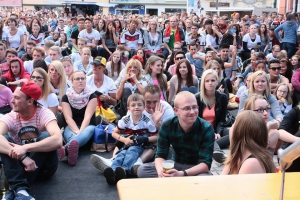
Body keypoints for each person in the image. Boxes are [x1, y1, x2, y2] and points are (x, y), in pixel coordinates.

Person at [90, 85, 174, 173]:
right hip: (136, 136)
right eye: (148, 102)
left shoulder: (166, 109)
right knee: (124, 141)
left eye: (155, 102)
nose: (152, 105)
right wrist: (125, 139)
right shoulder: (137, 106)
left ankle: (137, 163)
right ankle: (114, 161)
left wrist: (157, 122)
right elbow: (126, 126)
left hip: (153, 138)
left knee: (149, 145)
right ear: (144, 99)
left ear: (160, 99)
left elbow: (166, 135)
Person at [0, 82, 62, 200]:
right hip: (22, 166)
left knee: (46, 135)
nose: (12, 101)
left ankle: (15, 188)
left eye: (17, 98)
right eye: (13, 96)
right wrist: (23, 157)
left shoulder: (44, 113)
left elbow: (58, 140)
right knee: (4, 139)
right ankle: (21, 191)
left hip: (44, 169)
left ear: (30, 101)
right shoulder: (12, 116)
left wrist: (25, 148)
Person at [137, 91, 215, 178]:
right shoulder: (168, 124)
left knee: (205, 178)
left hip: (195, 168)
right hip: (175, 164)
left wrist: (182, 174)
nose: (192, 112)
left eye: (194, 107)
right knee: (142, 170)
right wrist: (161, 172)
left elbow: (205, 164)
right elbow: (160, 155)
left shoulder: (206, 128)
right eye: (187, 108)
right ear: (176, 110)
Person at [103, 93, 157, 184]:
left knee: (132, 152)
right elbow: (114, 133)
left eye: (139, 105)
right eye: (133, 105)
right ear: (128, 108)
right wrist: (124, 140)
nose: (136, 107)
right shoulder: (125, 119)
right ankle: (112, 171)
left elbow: (156, 136)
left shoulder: (147, 121)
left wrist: (145, 139)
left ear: (144, 107)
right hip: (127, 142)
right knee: (121, 154)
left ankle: (124, 170)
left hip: (140, 143)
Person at [58, 70, 97, 166]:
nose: (80, 81)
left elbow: (87, 118)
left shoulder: (92, 95)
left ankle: (67, 148)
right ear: (72, 82)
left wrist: (80, 132)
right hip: (71, 126)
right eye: (77, 79)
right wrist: (77, 132)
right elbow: (68, 118)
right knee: (72, 137)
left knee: (85, 133)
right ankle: (72, 148)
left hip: (88, 126)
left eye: (83, 78)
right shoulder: (66, 97)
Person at [221, 110, 275, 175]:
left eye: (234, 125)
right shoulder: (238, 156)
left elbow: (225, 183)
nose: (231, 129)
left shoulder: (252, 163)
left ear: (238, 132)